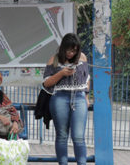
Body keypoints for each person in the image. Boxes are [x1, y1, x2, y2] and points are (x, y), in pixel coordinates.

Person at [43, 33, 90, 165]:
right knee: (62, 136)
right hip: (60, 97)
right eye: (68, 49)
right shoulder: (54, 60)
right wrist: (61, 73)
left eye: (74, 50)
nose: (71, 53)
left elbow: (87, 79)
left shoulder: (82, 58)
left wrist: (86, 97)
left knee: (78, 136)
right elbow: (46, 83)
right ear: (63, 48)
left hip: (79, 97)